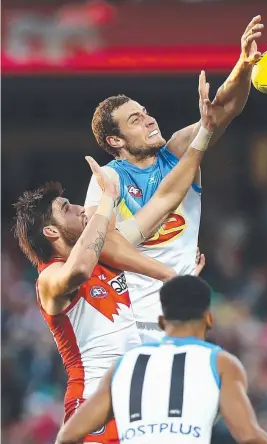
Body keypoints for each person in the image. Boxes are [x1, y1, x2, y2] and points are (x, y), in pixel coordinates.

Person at [13, 103, 215, 444]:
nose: (79, 208)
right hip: (94, 405)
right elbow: (78, 270)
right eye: (67, 209)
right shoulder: (49, 279)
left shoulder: (110, 260)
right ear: (51, 232)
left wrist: (204, 135)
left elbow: (165, 200)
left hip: (140, 402)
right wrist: (106, 203)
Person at [85, 16, 264, 342]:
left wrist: (244, 66)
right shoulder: (108, 179)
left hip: (185, 318)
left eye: (146, 112)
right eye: (135, 120)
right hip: (133, 326)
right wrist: (170, 275)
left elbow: (223, 108)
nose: (149, 120)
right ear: (116, 141)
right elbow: (98, 246)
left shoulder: (179, 152)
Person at [55, 275, 267, 444]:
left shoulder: (125, 365)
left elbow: (68, 435)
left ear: (162, 321)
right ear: (209, 318)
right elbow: (249, 436)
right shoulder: (221, 363)